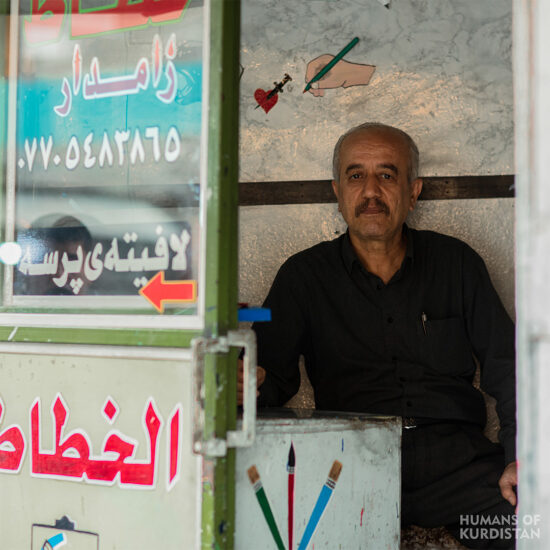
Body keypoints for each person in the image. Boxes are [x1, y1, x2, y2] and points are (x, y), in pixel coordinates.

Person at [238, 122, 517, 549]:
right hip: (347, 468)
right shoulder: (303, 277)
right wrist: (249, 383)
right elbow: (270, 377)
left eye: (387, 175)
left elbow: (510, 367)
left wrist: (523, 457)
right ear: (337, 191)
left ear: (413, 191)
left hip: (457, 467)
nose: (371, 190)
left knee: (531, 529)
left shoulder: (456, 264)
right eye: (356, 176)